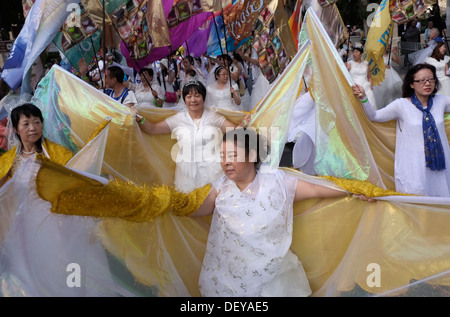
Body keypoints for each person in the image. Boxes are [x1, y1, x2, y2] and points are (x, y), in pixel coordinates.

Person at [191, 127, 373, 297]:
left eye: (232, 155)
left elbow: (316, 190)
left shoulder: (277, 182)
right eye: (222, 156)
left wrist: (357, 190)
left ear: (252, 155)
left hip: (276, 277)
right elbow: (195, 208)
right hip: (230, 280)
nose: (226, 163)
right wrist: (167, 201)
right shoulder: (219, 189)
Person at [352, 63, 450, 197]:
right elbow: (374, 116)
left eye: (431, 79)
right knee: (416, 202)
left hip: (440, 165)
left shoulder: (442, 101)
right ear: (411, 84)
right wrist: (363, 98)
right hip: (413, 166)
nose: (427, 83)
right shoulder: (401, 105)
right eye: (421, 80)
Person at [134, 79, 246, 193]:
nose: (193, 100)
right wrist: (140, 118)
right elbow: (153, 129)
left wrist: (246, 122)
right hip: (187, 174)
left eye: (197, 96)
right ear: (184, 99)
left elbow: (234, 131)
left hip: (213, 171)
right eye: (189, 97)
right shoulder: (178, 119)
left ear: (203, 97)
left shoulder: (213, 116)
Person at [0, 103, 74, 188]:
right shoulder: (7, 160)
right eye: (26, 124)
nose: (32, 128)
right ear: (16, 129)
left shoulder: (59, 153)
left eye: (36, 122)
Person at [373, 43, 403, 108]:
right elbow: (374, 65)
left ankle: (392, 105)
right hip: (382, 75)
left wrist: (395, 53)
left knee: (392, 88)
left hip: (391, 74)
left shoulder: (390, 55)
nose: (389, 47)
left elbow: (399, 62)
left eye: (389, 46)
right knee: (383, 91)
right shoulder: (378, 55)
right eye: (387, 46)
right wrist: (383, 67)